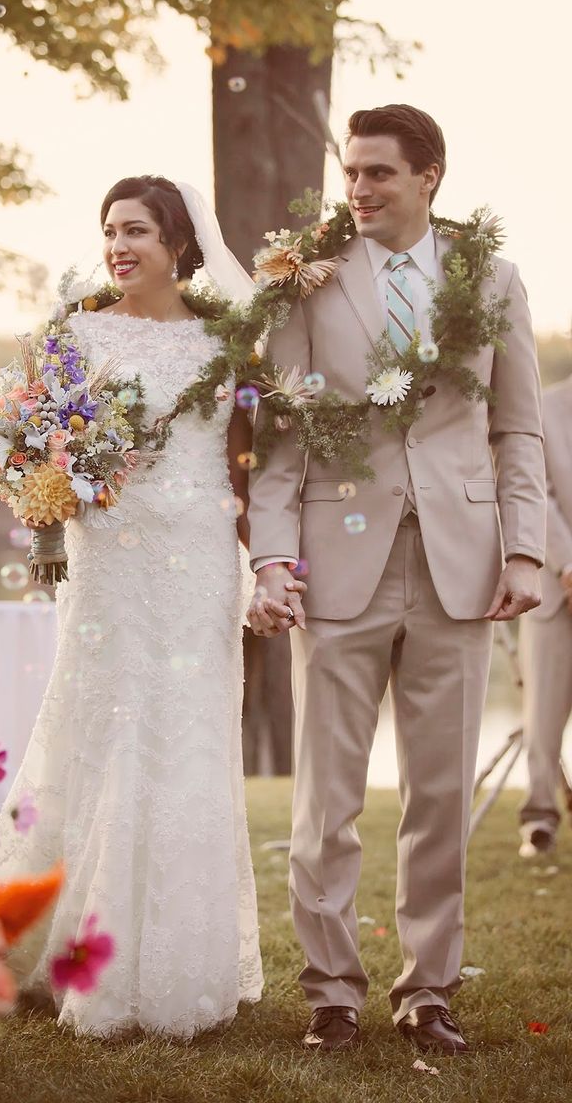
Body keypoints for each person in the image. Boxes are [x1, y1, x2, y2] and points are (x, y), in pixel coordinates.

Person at [247, 104, 546, 1056]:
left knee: (441, 797)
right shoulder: (311, 283)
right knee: (325, 800)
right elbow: (281, 436)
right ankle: (330, 991)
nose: (360, 190)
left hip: (463, 568)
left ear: (430, 177)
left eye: (379, 173)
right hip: (338, 567)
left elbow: (517, 429)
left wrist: (527, 548)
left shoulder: (494, 280)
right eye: (352, 173)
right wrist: (270, 558)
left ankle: (429, 991)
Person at [0, 176, 270, 1038]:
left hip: (201, 561)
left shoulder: (227, 341)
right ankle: (73, 949)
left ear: (179, 242)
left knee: (189, 739)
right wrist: (45, 482)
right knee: (100, 732)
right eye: (109, 231)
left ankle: (180, 958)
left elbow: (245, 459)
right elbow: (36, 438)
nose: (118, 246)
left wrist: (259, 562)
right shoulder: (78, 330)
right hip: (111, 561)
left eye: (136, 230)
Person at [518, 375, 572, 857]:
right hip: (556, 590)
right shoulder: (546, 406)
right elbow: (537, 491)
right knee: (544, 711)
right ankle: (539, 818)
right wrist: (568, 565)